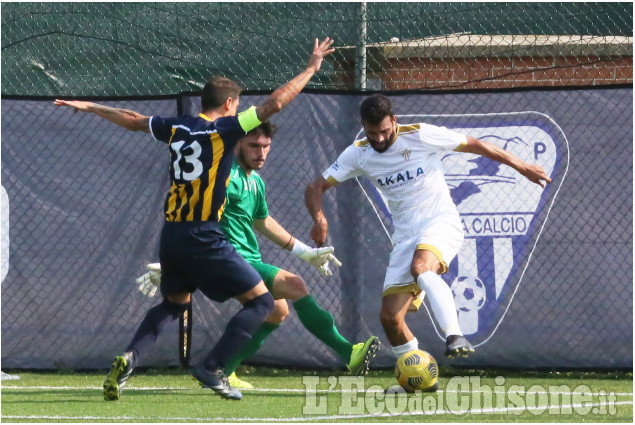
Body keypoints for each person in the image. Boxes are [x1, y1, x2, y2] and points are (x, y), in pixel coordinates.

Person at [54, 37, 336, 401]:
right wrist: (311, 69)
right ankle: (213, 367)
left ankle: (130, 358)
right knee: (263, 304)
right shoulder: (228, 128)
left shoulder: (178, 128)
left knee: (174, 303)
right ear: (230, 104)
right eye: (237, 103)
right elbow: (275, 103)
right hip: (204, 235)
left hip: (171, 235)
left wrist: (91, 106)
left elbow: (134, 120)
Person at [304, 94, 551, 363]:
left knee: (421, 267)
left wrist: (523, 166)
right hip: (405, 237)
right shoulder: (358, 153)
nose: (379, 140)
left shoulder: (421, 135)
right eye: (372, 133)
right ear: (364, 125)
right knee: (390, 318)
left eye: (384, 131)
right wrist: (319, 219)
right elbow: (315, 187)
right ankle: (418, 375)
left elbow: (477, 145)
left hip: (441, 222)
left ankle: (454, 335)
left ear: (394, 121)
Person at [137, 121, 379, 389]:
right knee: (295, 285)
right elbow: (197, 212)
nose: (261, 152)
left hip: (247, 258)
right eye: (253, 146)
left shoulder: (255, 182)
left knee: (277, 312)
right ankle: (349, 353)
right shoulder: (225, 176)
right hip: (226, 256)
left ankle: (222, 370)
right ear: (237, 143)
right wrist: (177, 260)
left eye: (265, 146)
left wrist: (305, 252)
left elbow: (262, 221)